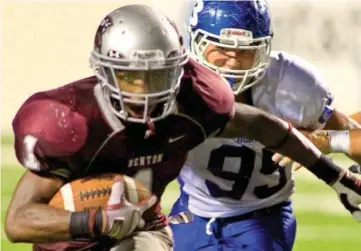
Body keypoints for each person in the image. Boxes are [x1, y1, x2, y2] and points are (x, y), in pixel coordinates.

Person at [4, 3, 361, 251]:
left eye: (157, 75)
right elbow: (18, 222)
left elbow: (268, 128)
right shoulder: (73, 124)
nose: (145, 89)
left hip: (222, 219)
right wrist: (95, 221)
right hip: (155, 218)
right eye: (132, 77)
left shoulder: (202, 99)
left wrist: (334, 169)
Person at [168, 1, 361, 251]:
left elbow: (354, 133)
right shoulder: (174, 84)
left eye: (246, 51)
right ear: (196, 43)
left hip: (262, 218)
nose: (233, 63)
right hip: (190, 214)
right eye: (222, 48)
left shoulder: (294, 85)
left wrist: (327, 139)